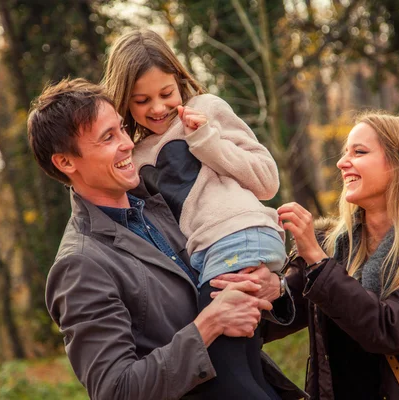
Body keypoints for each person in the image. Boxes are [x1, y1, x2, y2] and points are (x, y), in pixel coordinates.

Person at [26, 78, 305, 400]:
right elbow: (117, 390)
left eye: (120, 129)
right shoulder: (81, 265)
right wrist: (209, 324)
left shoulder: (165, 209)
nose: (128, 143)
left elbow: (239, 325)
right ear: (65, 162)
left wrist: (273, 288)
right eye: (107, 138)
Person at [102, 29, 289, 399]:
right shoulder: (135, 156)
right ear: (124, 100)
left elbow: (267, 182)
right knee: (248, 370)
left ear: (180, 79)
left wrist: (205, 142)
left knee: (223, 372)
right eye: (142, 100)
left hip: (238, 237)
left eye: (166, 93)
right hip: (210, 254)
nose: (157, 108)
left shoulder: (208, 109)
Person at [269, 111, 399, 399]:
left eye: (359, 152)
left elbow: (389, 330)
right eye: (345, 153)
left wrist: (317, 262)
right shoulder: (331, 247)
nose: (342, 163)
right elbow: (272, 320)